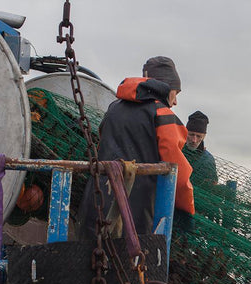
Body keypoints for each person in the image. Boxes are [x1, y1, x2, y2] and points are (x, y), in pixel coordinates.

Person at [77, 56, 194, 238]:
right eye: (175, 93)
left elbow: (101, 146)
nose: (175, 102)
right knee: (130, 265)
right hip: (135, 221)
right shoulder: (163, 115)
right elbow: (178, 172)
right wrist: (187, 213)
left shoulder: (114, 108)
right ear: (165, 87)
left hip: (95, 208)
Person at [182, 111, 218, 188]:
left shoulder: (208, 160)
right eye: (191, 134)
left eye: (198, 136)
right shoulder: (175, 150)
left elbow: (212, 186)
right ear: (185, 132)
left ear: (204, 136)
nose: (194, 140)